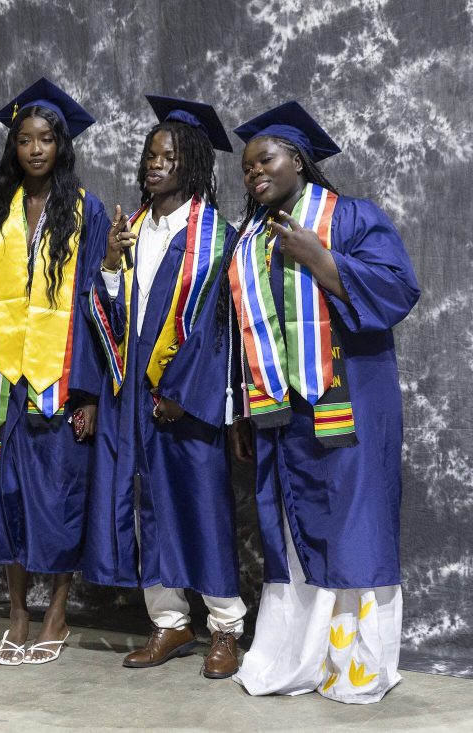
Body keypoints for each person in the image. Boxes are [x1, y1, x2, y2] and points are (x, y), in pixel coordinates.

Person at [220, 101, 420, 703]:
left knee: (355, 523)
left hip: (352, 399)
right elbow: (240, 333)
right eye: (248, 166)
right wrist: (243, 409)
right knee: (294, 524)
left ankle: (355, 667)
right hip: (281, 410)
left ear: (299, 161)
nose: (255, 172)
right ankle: (297, 660)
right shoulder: (249, 240)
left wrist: (320, 259)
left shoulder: (351, 217)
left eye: (267, 159)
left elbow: (398, 288)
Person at [0, 78, 108, 666]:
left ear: (62, 146)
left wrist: (88, 393)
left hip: (59, 380)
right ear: (14, 148)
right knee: (3, 495)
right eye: (25, 139)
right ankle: (17, 611)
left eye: (46, 139)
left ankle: (56, 612)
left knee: (56, 496)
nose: (35, 148)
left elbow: (98, 301)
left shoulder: (89, 211)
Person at [82, 96, 246, 678]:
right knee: (145, 506)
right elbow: (109, 312)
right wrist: (107, 263)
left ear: (194, 164)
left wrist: (182, 389)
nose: (155, 164)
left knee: (199, 507)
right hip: (132, 398)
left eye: (169, 156)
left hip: (186, 402)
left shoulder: (215, 238)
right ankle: (170, 624)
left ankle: (224, 627)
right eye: (151, 154)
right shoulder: (130, 230)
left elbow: (217, 330)